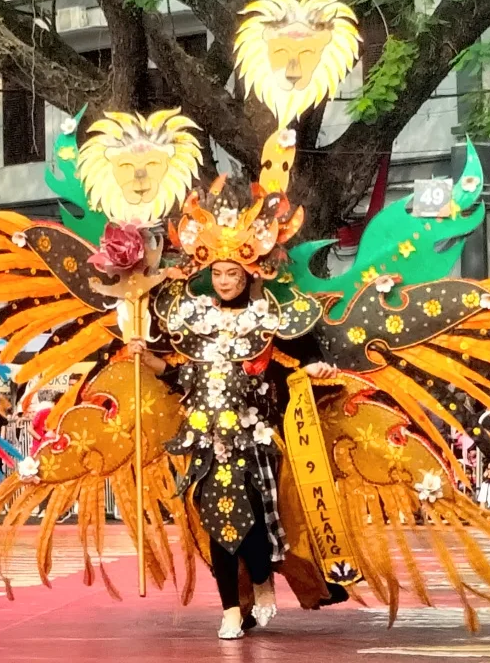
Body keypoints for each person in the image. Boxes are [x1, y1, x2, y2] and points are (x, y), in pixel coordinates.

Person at [130, 257, 338, 639]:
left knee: (254, 524)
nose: (224, 282)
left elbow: (293, 362)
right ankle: (229, 610)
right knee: (217, 526)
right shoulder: (196, 321)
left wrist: (310, 369)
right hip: (205, 444)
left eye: (233, 274)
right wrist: (145, 357)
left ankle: (261, 579)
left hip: (252, 442)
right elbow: (181, 376)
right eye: (218, 274)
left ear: (248, 276)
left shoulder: (264, 320)